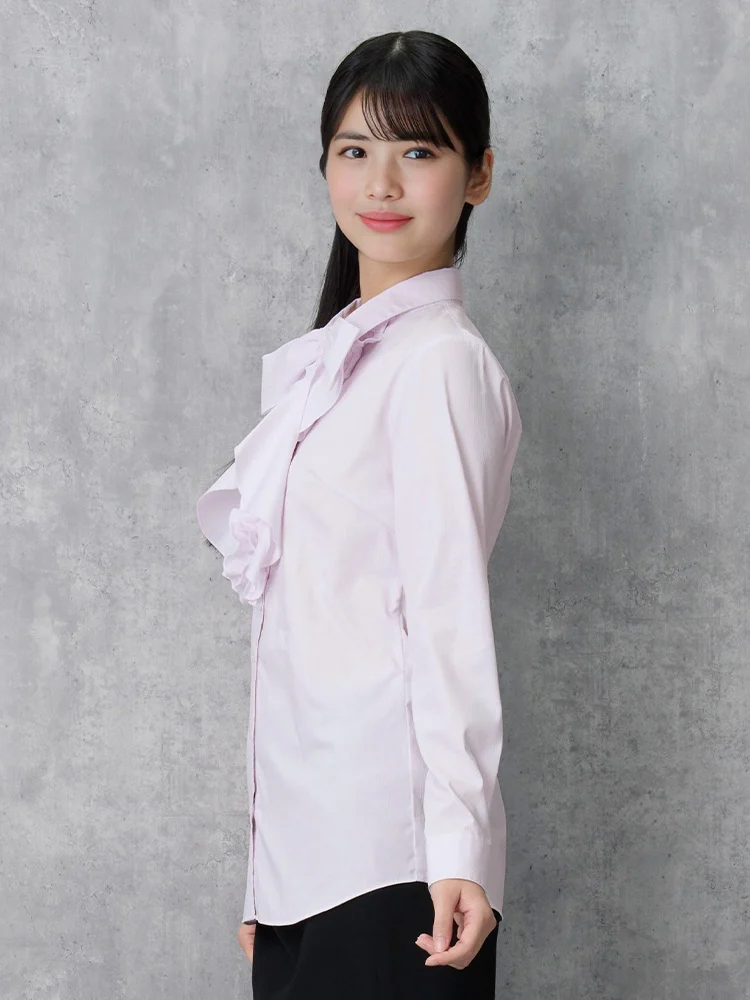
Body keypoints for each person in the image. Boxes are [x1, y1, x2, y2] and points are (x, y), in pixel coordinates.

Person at [196, 28, 523, 1000]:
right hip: (310, 863)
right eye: (354, 150)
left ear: (478, 174)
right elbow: (303, 639)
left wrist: (462, 850)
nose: (381, 183)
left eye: (418, 150)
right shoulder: (337, 366)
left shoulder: (441, 362)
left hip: (396, 860)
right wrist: (268, 877)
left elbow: (447, 619)